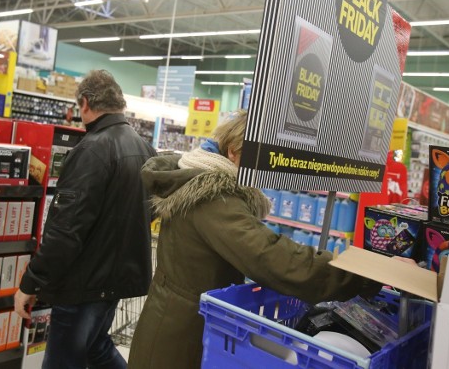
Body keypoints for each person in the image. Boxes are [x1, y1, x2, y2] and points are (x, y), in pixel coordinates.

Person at [128, 111, 380, 369]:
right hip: (178, 340)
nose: (263, 171)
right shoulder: (213, 199)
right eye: (259, 160)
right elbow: (272, 257)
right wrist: (360, 274)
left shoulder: (200, 180)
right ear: (234, 151)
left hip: (180, 323)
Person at [15, 70, 157, 369]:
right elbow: (151, 210)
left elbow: (66, 229)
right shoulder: (145, 148)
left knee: (63, 361)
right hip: (116, 280)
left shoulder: (92, 150)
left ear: (84, 103)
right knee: (96, 347)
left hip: (85, 283)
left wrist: (31, 283)